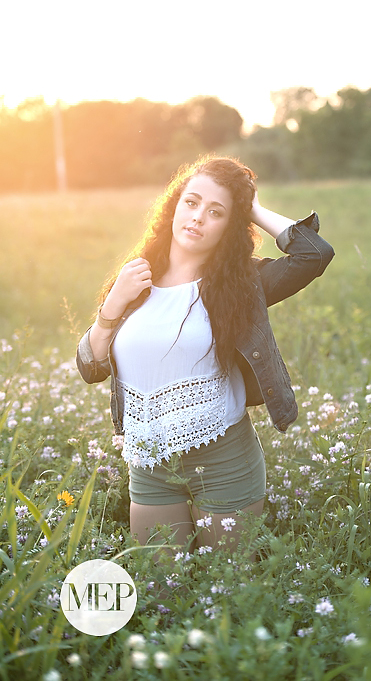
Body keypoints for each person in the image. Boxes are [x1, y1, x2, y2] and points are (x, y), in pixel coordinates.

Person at [77, 156, 334, 563]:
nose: (198, 217)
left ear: (231, 226)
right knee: (161, 589)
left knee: (227, 590)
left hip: (223, 460)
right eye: (192, 202)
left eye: (216, 212)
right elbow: (91, 366)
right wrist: (111, 306)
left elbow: (314, 254)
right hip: (149, 462)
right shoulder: (136, 278)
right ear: (174, 205)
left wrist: (248, 205)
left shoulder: (243, 284)